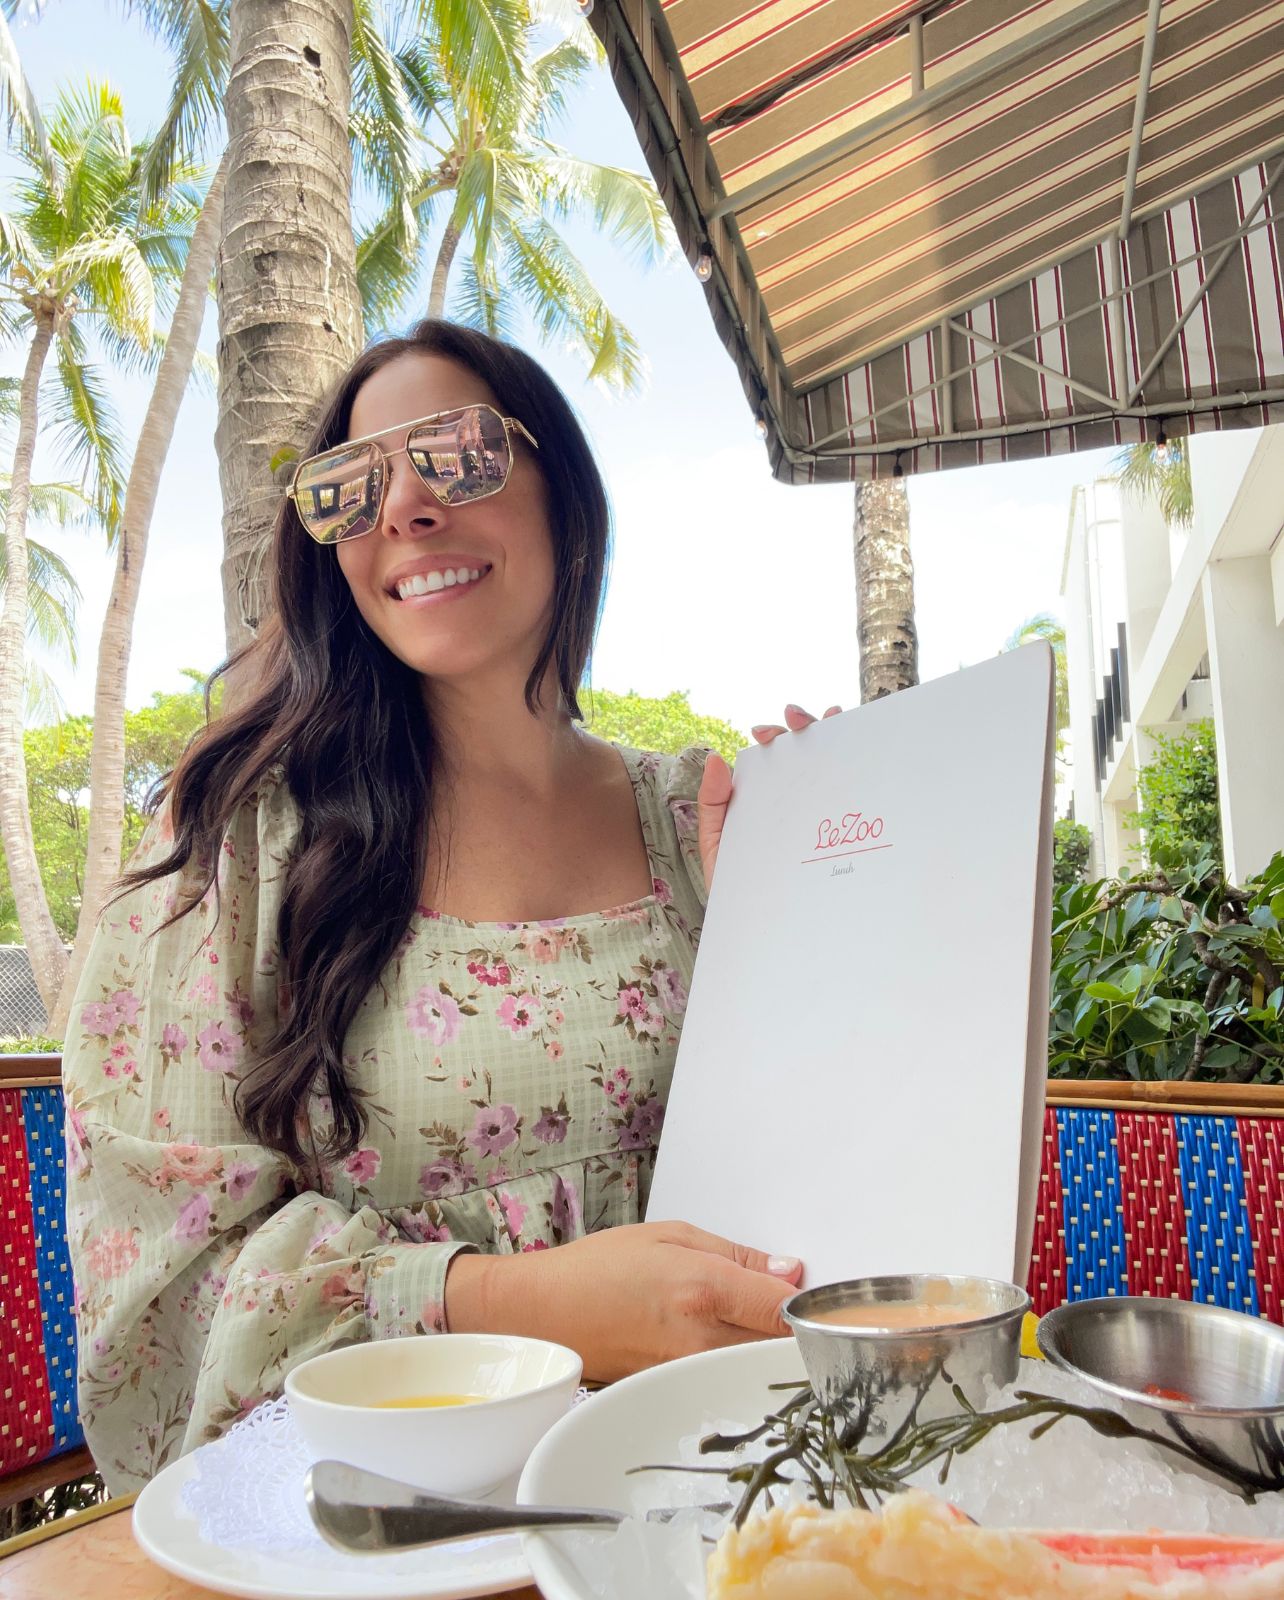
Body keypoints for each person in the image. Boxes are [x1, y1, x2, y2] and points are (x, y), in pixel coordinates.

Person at [63, 320, 837, 1494]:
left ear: (566, 496)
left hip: (725, 1489)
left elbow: (836, 1173)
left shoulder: (700, 820)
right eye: (349, 487)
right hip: (398, 1527)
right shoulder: (243, 845)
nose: (403, 509)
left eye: (459, 454)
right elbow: (161, 1296)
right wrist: (525, 1308)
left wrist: (825, 919)